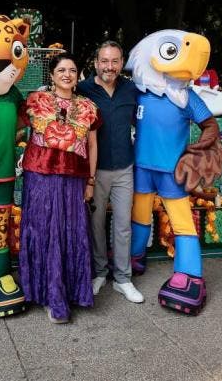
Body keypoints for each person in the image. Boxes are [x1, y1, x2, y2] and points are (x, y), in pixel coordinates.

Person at [18, 53, 100, 323]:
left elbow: (91, 146)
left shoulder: (88, 106)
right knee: (42, 232)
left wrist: (90, 182)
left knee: (69, 234)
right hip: (39, 175)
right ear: (51, 75)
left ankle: (68, 294)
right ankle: (46, 295)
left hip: (73, 178)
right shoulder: (34, 101)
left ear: (78, 76)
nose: (67, 74)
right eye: (62, 70)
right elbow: (14, 130)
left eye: (73, 70)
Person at [76, 41, 144, 304]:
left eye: (115, 61)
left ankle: (123, 279)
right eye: (104, 61)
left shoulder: (131, 89)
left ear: (122, 62)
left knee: (123, 225)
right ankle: (99, 272)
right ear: (95, 63)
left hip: (125, 168)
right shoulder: (83, 90)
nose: (109, 66)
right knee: (95, 225)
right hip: (95, 171)